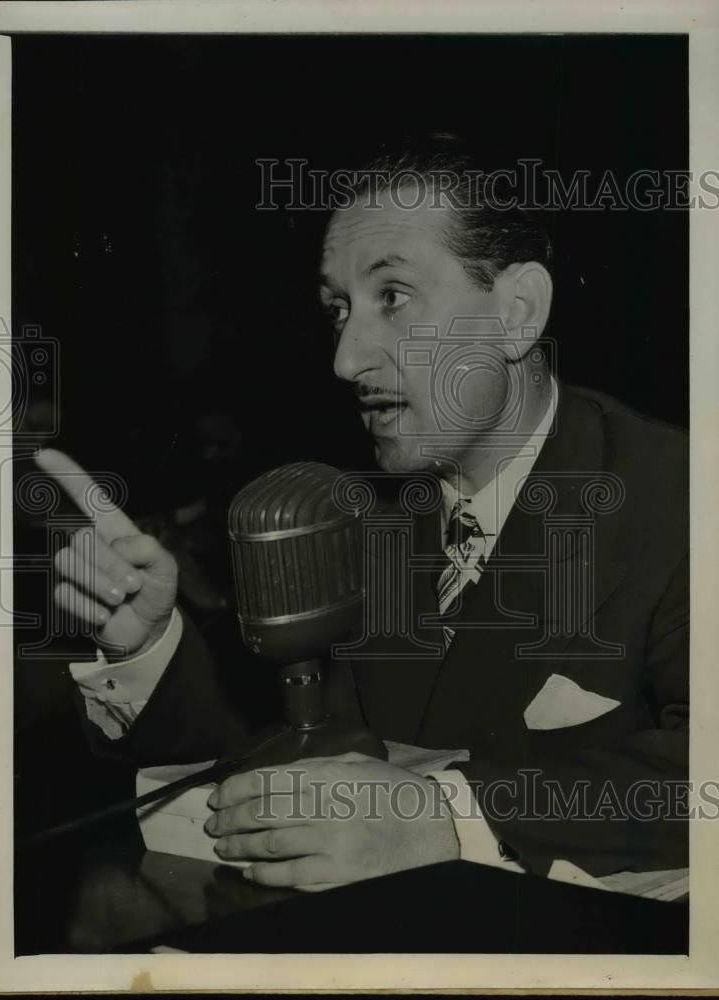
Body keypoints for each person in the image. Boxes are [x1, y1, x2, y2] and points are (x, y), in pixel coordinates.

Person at [36, 136, 688, 891]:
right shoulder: (356, 513)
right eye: (338, 309)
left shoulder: (679, 497)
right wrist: (145, 643)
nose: (346, 360)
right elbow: (283, 758)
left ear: (518, 313)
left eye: (393, 297)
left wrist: (448, 815)